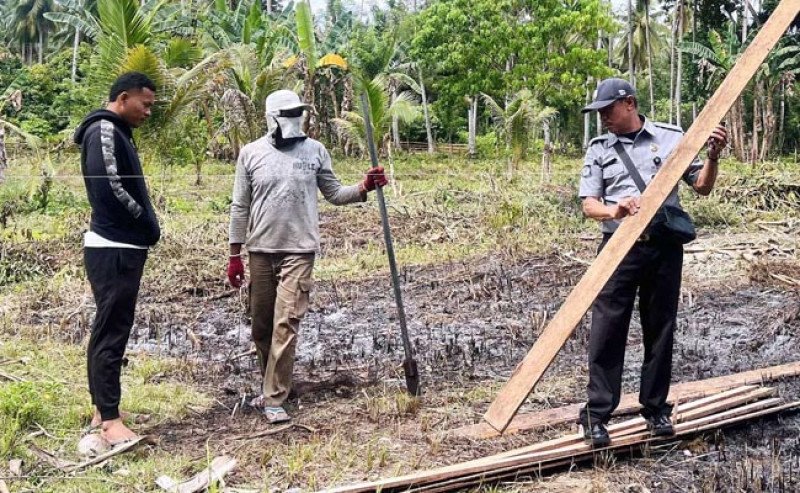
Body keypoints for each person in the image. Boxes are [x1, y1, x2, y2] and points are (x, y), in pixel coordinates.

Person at [577, 78, 728, 446]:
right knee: (607, 331)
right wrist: (615, 209)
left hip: (662, 248)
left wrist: (712, 155)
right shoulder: (599, 148)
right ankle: (597, 416)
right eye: (599, 114)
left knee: (660, 328)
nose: (603, 120)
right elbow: (588, 204)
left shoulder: (672, 138)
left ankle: (656, 410)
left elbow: (702, 187)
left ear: (629, 103)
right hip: (618, 248)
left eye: (607, 111)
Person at [227, 89, 388, 424]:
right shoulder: (251, 154)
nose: (293, 119)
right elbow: (240, 206)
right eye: (287, 114)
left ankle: (274, 397)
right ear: (272, 118)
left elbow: (333, 193)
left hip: (299, 250)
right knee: (262, 327)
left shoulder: (315, 151)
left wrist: (363, 188)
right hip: (260, 250)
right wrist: (234, 254)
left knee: (286, 323)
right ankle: (270, 383)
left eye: (297, 112)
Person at [74, 72, 160, 445]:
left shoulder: (116, 132)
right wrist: (144, 223)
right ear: (123, 98)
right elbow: (110, 189)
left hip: (120, 246)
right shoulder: (104, 131)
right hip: (115, 247)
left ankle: (102, 410)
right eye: (146, 104)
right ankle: (109, 421)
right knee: (111, 331)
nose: (148, 112)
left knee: (111, 328)